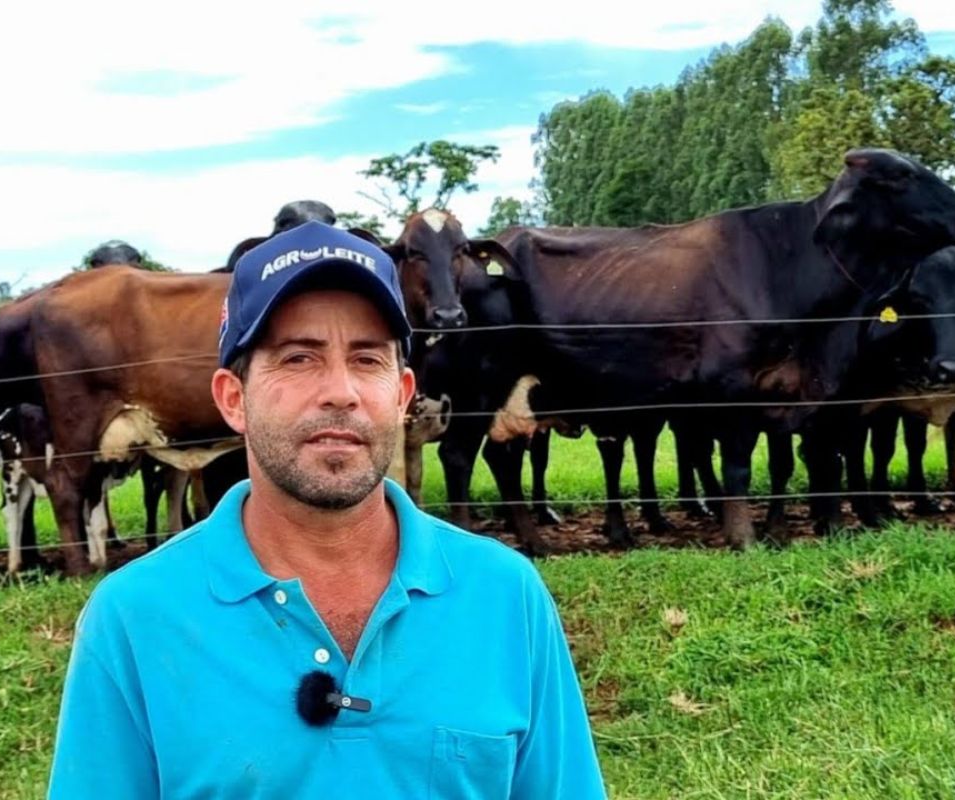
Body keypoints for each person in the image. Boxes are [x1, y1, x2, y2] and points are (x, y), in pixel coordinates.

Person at [47, 220, 605, 798]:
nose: (341, 391)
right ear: (233, 399)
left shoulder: (505, 595)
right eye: (298, 358)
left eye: (367, 359)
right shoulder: (135, 618)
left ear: (402, 395)